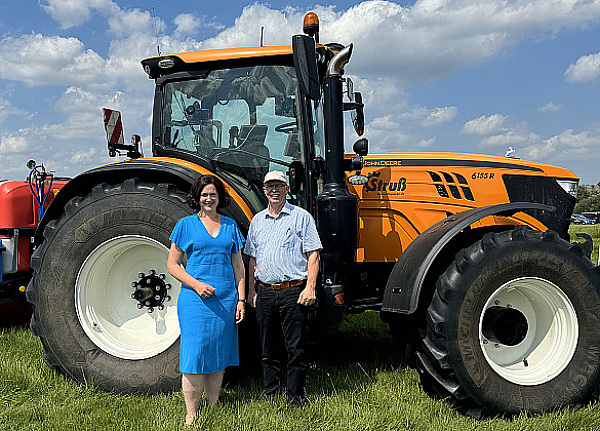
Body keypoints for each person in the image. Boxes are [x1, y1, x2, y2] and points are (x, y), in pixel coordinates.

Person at [167, 175, 246, 425]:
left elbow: (239, 266)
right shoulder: (185, 225)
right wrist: (197, 285)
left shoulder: (231, 226)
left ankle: (213, 406)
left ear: (219, 197)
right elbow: (172, 265)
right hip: (195, 300)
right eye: (204, 194)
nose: (209, 199)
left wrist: (241, 299)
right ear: (197, 197)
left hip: (226, 300)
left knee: (219, 355)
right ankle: (191, 414)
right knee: (194, 355)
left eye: (213, 194)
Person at [244, 170, 322, 408]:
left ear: (287, 189)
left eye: (279, 186)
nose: (274, 190)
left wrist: (310, 288)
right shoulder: (257, 221)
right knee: (268, 348)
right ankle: (271, 392)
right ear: (264, 191)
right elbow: (252, 260)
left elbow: (314, 254)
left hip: (292, 290)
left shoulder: (301, 217)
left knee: (294, 348)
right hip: (265, 292)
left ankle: (295, 397)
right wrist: (251, 292)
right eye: (270, 187)